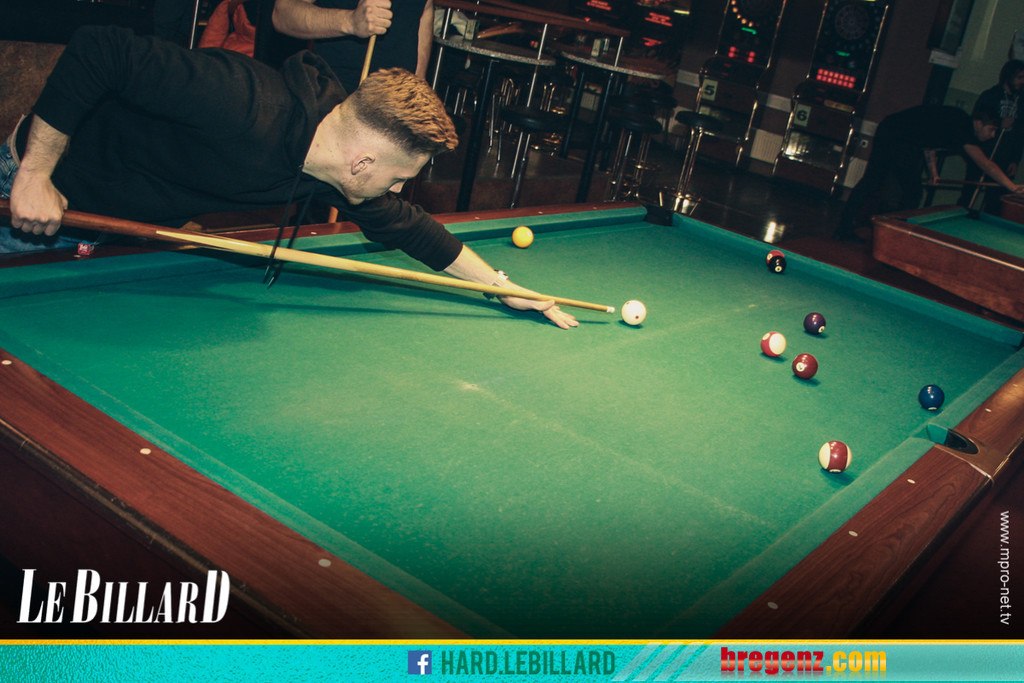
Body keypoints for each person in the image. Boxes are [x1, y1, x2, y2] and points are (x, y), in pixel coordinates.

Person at [1, 25, 577, 329]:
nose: (400, 190)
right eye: (399, 177)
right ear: (363, 163)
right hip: (42, 192)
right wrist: (35, 172)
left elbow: (411, 228)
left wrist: (499, 286)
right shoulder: (238, 100)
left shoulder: (333, 171)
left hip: (122, 225)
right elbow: (99, 49)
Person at [835, 104, 1024, 241]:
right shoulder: (964, 128)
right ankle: (893, 238)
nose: (992, 135)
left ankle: (851, 229)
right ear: (978, 123)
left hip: (893, 132)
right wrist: (1012, 186)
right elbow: (986, 165)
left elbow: (929, 144)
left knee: (874, 182)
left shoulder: (958, 123)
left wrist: (933, 173)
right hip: (897, 136)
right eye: (991, 130)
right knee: (910, 192)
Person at [272, 0, 434, 94]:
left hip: (395, 103)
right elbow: (282, 13)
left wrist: (418, 85)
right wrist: (350, 21)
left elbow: (424, 8)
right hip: (334, 95)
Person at [959, 60, 1024, 213]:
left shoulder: (1021, 101)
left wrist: (1015, 160)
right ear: (1009, 76)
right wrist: (1000, 123)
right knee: (969, 193)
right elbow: (977, 122)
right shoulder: (990, 95)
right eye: (1019, 77)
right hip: (983, 152)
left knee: (996, 199)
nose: (1022, 82)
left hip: (1005, 156)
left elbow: (1021, 133)